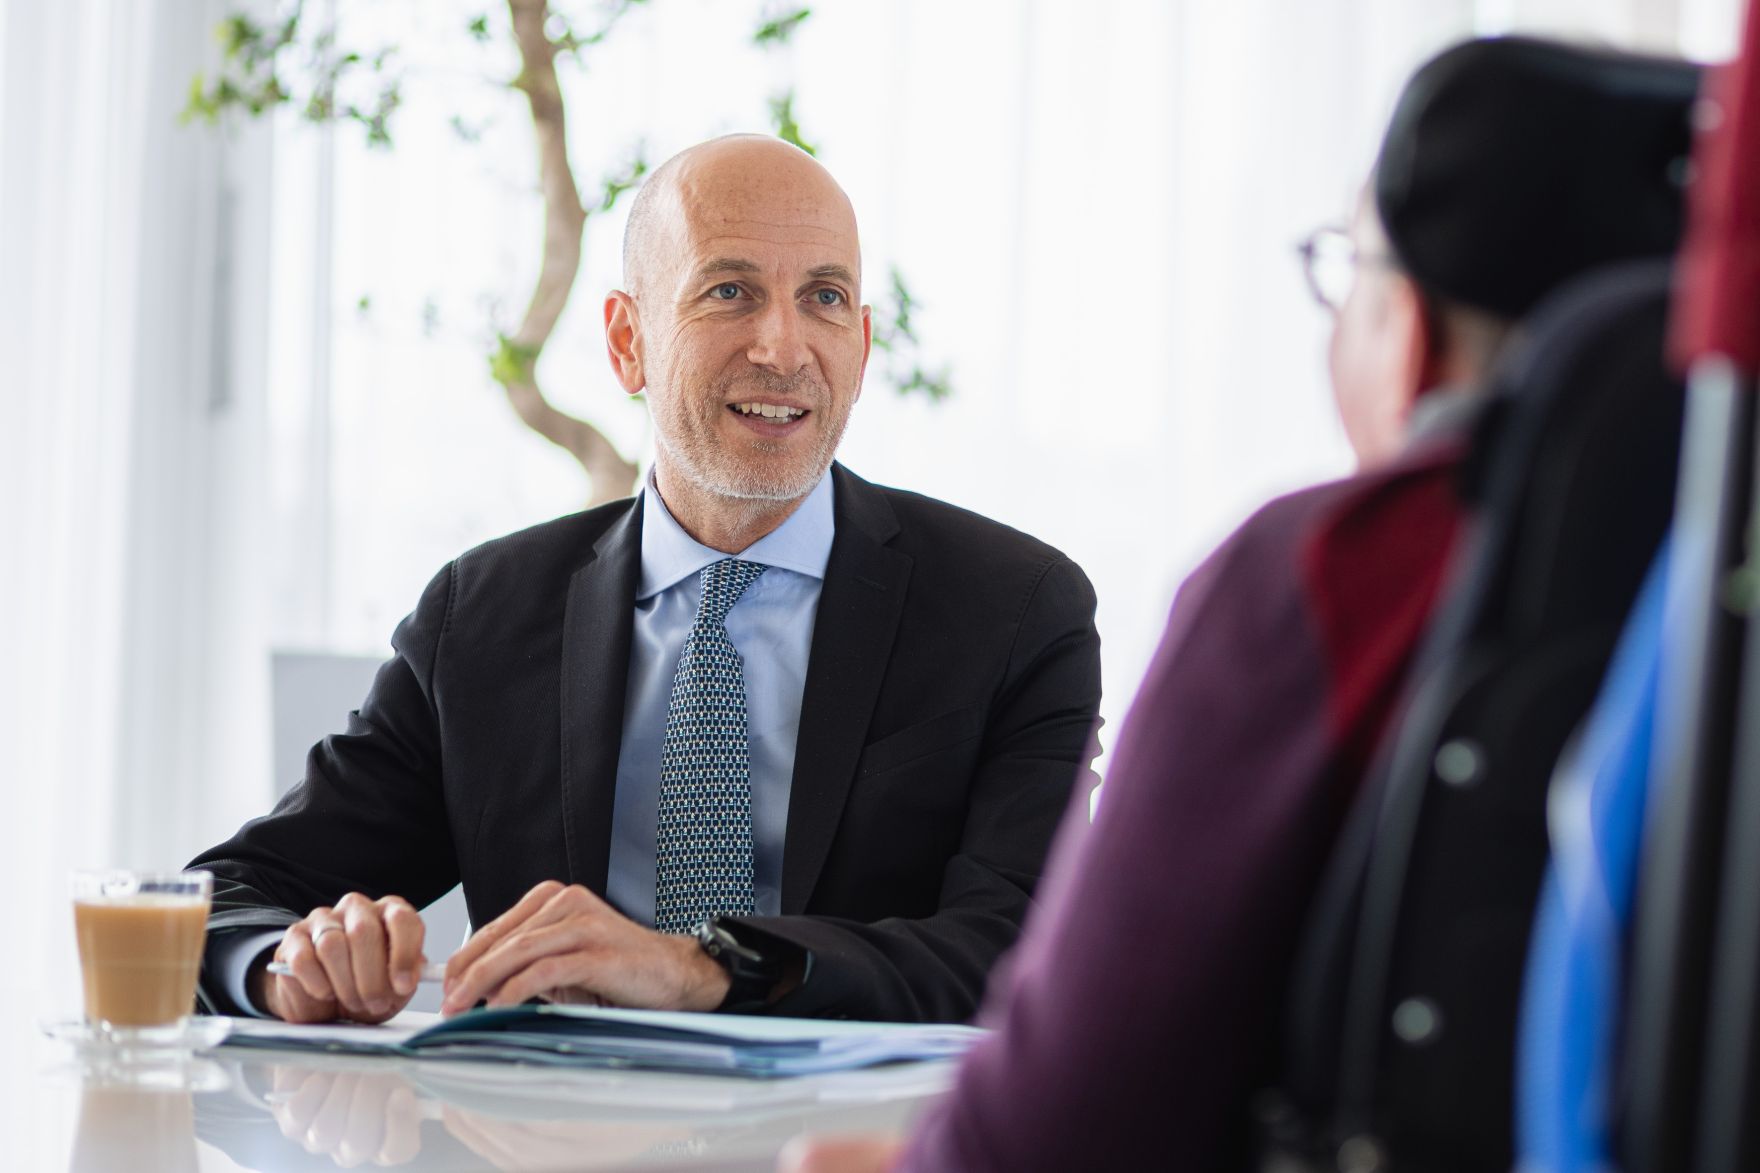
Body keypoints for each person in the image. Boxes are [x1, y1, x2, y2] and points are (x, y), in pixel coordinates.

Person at [782, 35, 1699, 1172]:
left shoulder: (1332, 567)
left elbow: (1068, 1123)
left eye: (1348, 268)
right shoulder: (1708, 566)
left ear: (1404, 329)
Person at [190, 134, 1103, 1027]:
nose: (783, 348)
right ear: (628, 341)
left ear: (860, 347)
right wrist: (287, 965)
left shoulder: (1017, 610)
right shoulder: (481, 616)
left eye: (823, 298)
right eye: (731, 291)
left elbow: (1029, 946)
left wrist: (702, 967)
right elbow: (232, 898)